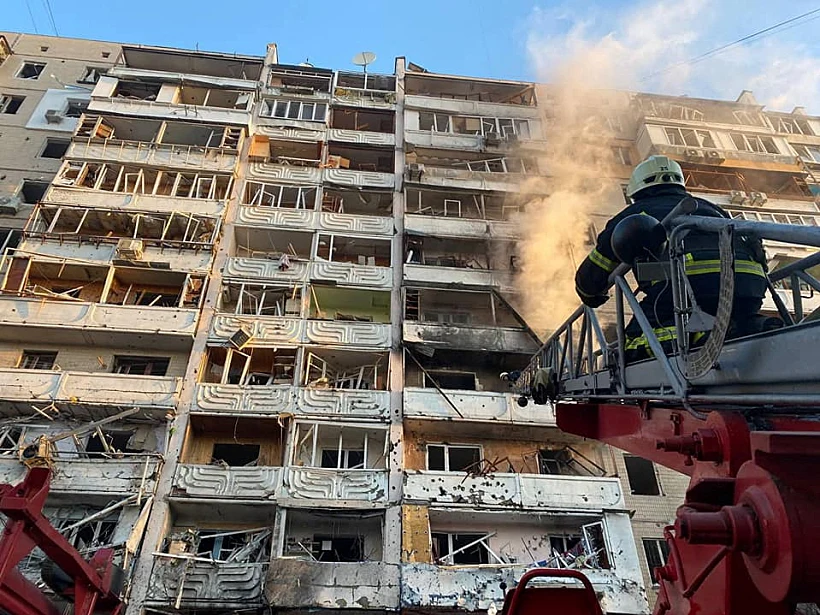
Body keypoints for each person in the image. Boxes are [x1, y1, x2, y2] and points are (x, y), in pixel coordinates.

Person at [575, 155, 774, 361]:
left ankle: (699, 336)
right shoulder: (711, 208)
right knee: (738, 318)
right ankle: (753, 326)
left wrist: (590, 294)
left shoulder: (636, 214)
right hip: (747, 287)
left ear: (635, 191)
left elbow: (594, 272)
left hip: (687, 290)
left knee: (631, 346)